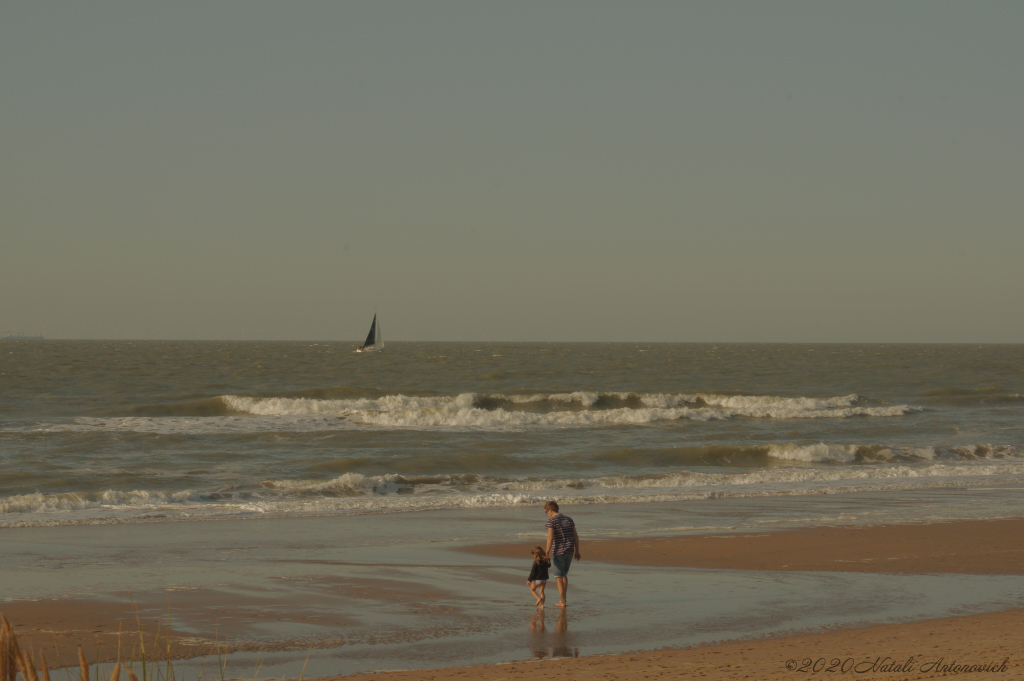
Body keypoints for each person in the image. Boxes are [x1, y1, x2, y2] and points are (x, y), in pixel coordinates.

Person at [543, 500, 581, 608]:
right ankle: (563, 599)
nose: (547, 514)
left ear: (550, 510)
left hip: (559, 550)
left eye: (546, 512)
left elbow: (550, 537)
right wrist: (577, 550)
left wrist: (547, 552)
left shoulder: (552, 521)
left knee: (559, 576)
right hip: (569, 550)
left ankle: (562, 601)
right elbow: (576, 536)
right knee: (564, 574)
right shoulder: (569, 519)